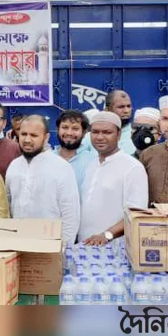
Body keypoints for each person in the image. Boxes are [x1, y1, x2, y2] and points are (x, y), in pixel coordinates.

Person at [6, 115, 81, 244]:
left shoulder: (61, 167)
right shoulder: (14, 166)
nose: (27, 140)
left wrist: (63, 248)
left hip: (51, 245)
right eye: (23, 134)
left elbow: (71, 215)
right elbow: (8, 207)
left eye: (34, 135)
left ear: (46, 138)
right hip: (17, 243)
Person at [79, 112, 149, 245]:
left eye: (107, 132)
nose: (100, 137)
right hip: (84, 245)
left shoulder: (132, 167)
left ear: (118, 135)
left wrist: (107, 235)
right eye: (95, 132)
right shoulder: (91, 164)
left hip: (114, 247)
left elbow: (137, 213)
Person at [52, 109, 94, 190]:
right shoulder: (48, 159)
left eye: (75, 128)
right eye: (65, 127)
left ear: (84, 132)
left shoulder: (92, 161)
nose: (69, 133)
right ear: (58, 130)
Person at [105, 89, 136, 155]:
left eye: (128, 106)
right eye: (121, 107)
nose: (126, 111)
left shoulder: (137, 134)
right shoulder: (96, 135)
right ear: (107, 110)